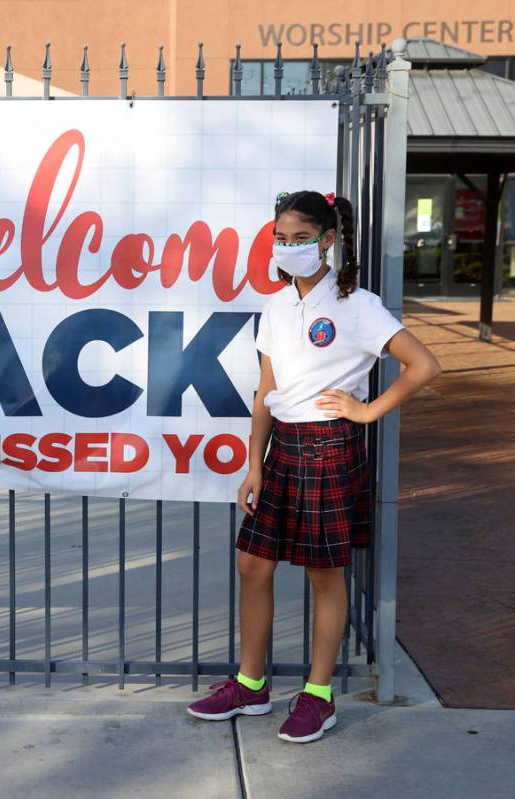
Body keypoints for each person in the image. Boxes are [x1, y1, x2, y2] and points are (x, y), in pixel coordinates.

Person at [187, 190, 441, 743]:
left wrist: (367, 410)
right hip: (281, 451)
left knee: (324, 574)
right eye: (280, 238)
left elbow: (424, 364)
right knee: (253, 565)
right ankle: (250, 685)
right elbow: (265, 392)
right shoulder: (277, 308)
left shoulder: (358, 305)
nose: (287, 247)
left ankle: (318, 696)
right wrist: (253, 465)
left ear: (327, 240)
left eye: (299, 238)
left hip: (329, 447)